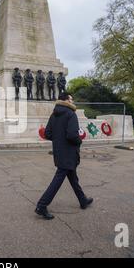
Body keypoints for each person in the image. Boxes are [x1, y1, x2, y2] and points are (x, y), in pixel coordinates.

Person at [35, 92, 93, 220]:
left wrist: (59, 139)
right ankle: (41, 205)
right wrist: (79, 141)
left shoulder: (54, 114)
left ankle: (82, 200)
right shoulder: (71, 114)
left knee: (72, 177)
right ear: (66, 100)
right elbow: (72, 135)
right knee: (58, 180)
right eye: (71, 99)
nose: (73, 102)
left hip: (59, 152)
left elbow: (48, 134)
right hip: (69, 153)